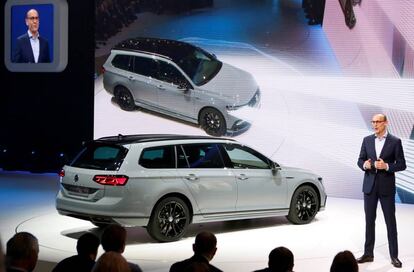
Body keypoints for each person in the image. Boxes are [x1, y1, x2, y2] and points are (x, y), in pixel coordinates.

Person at [356, 114, 406, 268]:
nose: (374, 124)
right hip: (369, 187)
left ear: (385, 123)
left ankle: (394, 256)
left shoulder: (395, 141)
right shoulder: (367, 140)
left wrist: (387, 166)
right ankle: (368, 253)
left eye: (378, 122)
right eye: (373, 122)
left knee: (390, 222)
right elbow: (360, 160)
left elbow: (402, 164)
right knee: (369, 221)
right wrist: (365, 165)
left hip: (386, 188)